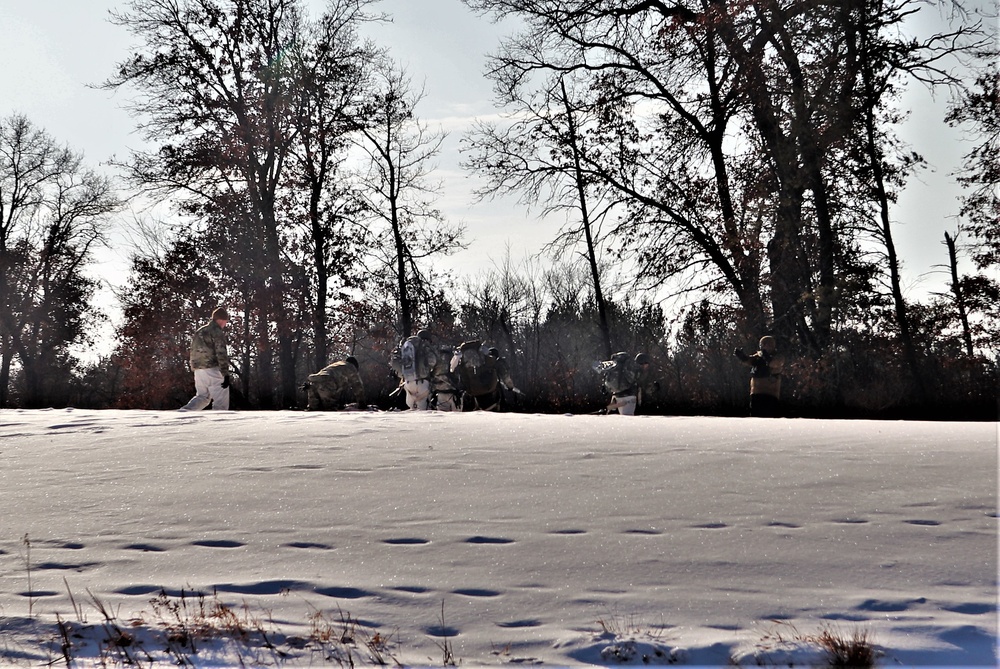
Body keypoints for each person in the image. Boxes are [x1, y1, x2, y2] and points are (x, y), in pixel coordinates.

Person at [179, 307, 232, 411]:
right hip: (212, 368)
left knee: (202, 397)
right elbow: (221, 353)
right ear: (221, 320)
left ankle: (183, 413)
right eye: (225, 322)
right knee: (221, 399)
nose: (225, 325)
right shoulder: (217, 332)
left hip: (199, 369)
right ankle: (219, 422)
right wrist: (225, 373)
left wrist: (194, 366)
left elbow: (193, 349)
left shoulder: (200, 331)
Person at [451, 342, 517, 411]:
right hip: (489, 393)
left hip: (471, 392)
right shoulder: (495, 363)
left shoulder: (475, 367)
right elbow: (506, 379)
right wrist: (510, 387)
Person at [734, 335, 785, 417]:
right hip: (756, 393)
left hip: (770, 394)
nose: (767, 346)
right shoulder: (758, 356)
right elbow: (750, 361)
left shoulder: (778, 357)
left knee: (769, 417)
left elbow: (774, 364)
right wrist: (742, 357)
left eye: (769, 344)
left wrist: (767, 358)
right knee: (755, 416)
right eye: (764, 344)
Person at [389, 329, 437, 410]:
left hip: (408, 382)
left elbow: (395, 363)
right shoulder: (425, 346)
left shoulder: (406, 345)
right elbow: (433, 361)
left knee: (412, 408)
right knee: (423, 411)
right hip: (423, 383)